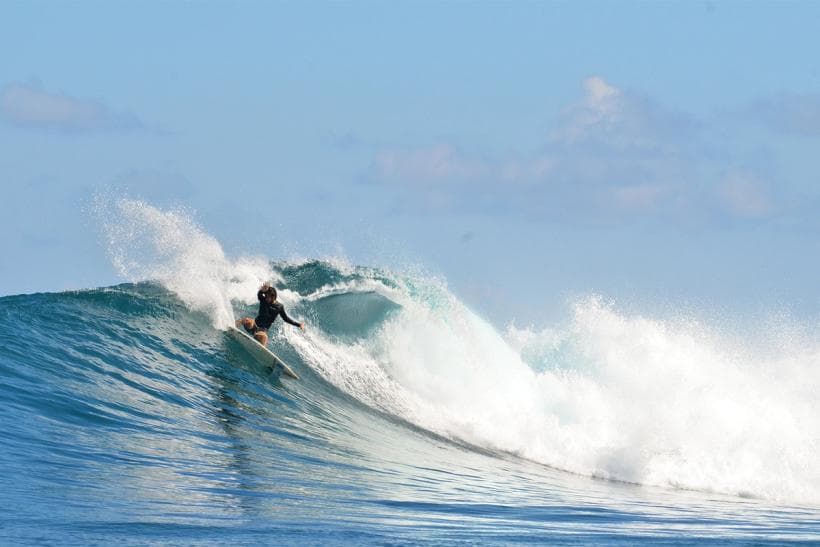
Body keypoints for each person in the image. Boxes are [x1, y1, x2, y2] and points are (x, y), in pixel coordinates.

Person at [236, 282, 305, 346]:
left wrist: (299, 324)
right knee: (247, 321)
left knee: (264, 337)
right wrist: (262, 290)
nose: (266, 297)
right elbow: (259, 294)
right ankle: (233, 325)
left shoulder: (279, 307)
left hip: (262, 330)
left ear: (273, 297)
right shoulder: (263, 300)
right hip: (254, 325)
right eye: (265, 295)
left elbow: (286, 318)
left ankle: (261, 351)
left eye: (268, 296)